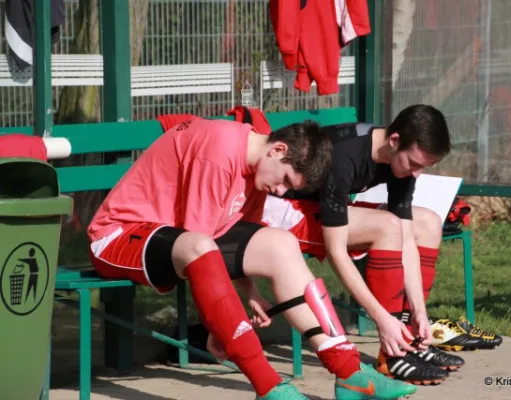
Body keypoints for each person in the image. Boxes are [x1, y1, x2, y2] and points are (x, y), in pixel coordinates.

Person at [86, 116, 417, 400]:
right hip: (119, 235)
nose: (282, 191)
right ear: (277, 150)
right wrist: (220, 325)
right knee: (199, 246)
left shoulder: (257, 170)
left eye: (291, 188)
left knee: (280, 243)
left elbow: (231, 236)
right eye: (286, 180)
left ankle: (349, 373)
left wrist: (250, 292)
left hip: (182, 237)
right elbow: (201, 247)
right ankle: (267, 384)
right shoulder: (218, 152)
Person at [260, 104, 498, 386]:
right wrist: (381, 318)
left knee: (428, 222)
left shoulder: (399, 163)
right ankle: (393, 353)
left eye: (423, 167)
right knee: (387, 226)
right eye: (414, 163)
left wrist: (421, 311)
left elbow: (407, 238)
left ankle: (411, 339)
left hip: (322, 206)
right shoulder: (344, 156)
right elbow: (336, 252)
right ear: (394, 141)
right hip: (279, 206)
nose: (417, 173)